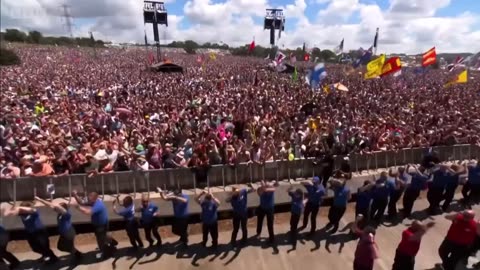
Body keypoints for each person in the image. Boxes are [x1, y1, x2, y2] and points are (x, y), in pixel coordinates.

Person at [35, 196, 83, 262]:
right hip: (64, 233)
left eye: (58, 208)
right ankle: (77, 254)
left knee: (68, 247)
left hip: (68, 233)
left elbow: (58, 207)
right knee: (60, 247)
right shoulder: (60, 213)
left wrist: (57, 205)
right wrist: (40, 199)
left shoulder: (66, 214)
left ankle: (77, 256)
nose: (56, 209)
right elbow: (50, 205)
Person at [72, 190, 118, 259]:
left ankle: (107, 253)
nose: (88, 200)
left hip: (101, 226)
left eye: (89, 199)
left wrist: (77, 207)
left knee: (100, 242)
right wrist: (75, 195)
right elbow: (81, 202)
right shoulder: (94, 202)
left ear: (94, 199)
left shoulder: (98, 205)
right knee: (104, 236)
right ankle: (112, 242)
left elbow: (88, 212)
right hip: (101, 224)